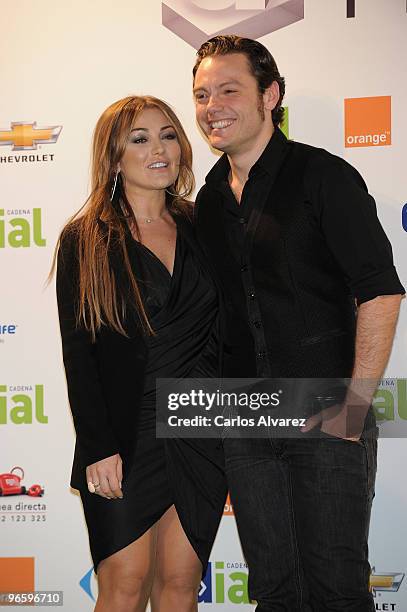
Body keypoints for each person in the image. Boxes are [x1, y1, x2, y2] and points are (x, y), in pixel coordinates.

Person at [192, 35, 404, 611]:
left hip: (327, 410)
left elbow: (381, 290)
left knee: (337, 590)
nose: (213, 106)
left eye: (229, 89)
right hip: (246, 423)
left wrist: (356, 403)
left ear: (271, 96)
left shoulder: (323, 176)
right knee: (274, 592)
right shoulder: (207, 201)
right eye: (203, 94)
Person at [53, 95, 227, 612]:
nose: (160, 149)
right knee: (124, 583)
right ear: (113, 156)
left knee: (180, 582)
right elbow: (77, 355)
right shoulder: (85, 239)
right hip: (126, 435)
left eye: (169, 135)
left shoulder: (207, 227)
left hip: (200, 425)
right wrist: (97, 446)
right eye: (141, 138)